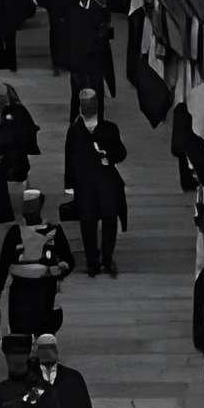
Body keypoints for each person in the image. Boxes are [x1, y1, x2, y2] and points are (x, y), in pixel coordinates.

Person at [0, 185, 73, 338]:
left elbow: (3, 265)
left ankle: (25, 357)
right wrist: (59, 271)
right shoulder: (53, 231)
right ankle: (44, 357)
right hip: (46, 288)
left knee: (21, 332)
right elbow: (69, 261)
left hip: (20, 291)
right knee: (45, 331)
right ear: (41, 206)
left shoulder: (14, 233)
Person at [65, 91, 128, 276]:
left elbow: (121, 152)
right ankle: (92, 261)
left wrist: (108, 156)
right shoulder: (75, 131)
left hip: (106, 183)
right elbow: (69, 158)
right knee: (88, 223)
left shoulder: (109, 129)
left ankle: (107, 259)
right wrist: (69, 185)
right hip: (86, 185)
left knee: (109, 220)